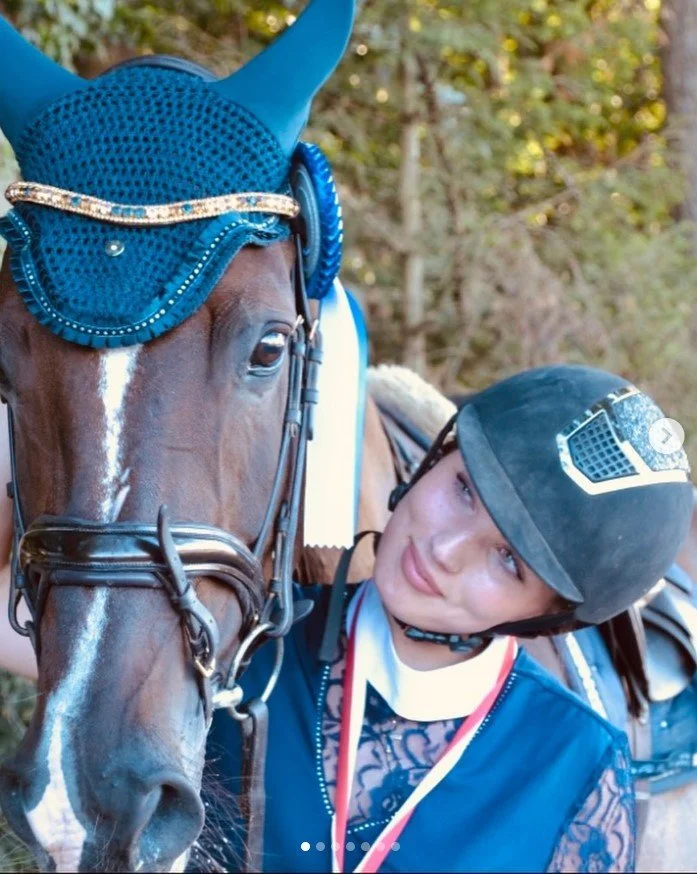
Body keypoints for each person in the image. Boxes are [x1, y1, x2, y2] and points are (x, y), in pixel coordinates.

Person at [203, 363, 693, 873]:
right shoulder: (241, 637)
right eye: (465, 490)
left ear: (546, 617)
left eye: (509, 560)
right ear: (436, 457)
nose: (445, 549)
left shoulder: (579, 768)